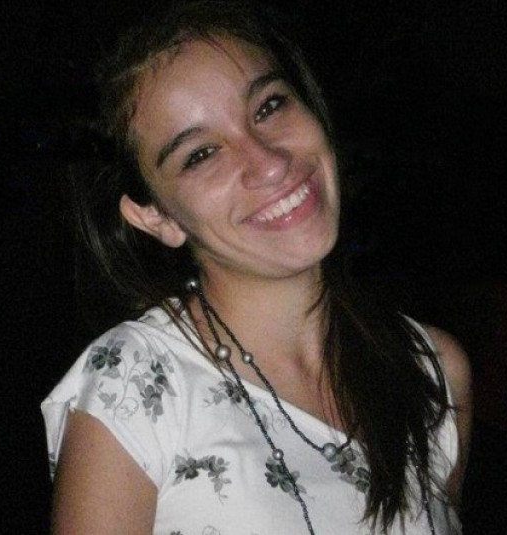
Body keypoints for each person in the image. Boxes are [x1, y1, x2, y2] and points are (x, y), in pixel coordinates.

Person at [41, 1, 472, 533]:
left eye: (269, 106)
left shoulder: (431, 369)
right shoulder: (134, 388)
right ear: (156, 217)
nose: (269, 162)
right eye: (201, 154)